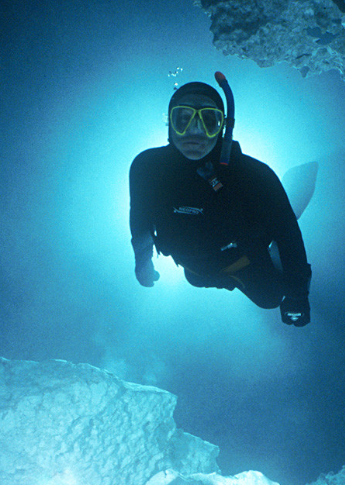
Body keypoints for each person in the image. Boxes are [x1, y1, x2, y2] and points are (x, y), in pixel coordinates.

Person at [129, 79, 312, 326]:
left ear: (223, 126)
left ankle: (284, 216)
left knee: (270, 298)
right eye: (183, 119)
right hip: (195, 268)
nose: (195, 131)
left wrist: (297, 294)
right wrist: (142, 260)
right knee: (194, 279)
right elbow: (140, 217)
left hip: (242, 258)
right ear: (169, 123)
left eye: (208, 120)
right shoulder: (146, 167)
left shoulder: (254, 174)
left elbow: (288, 233)